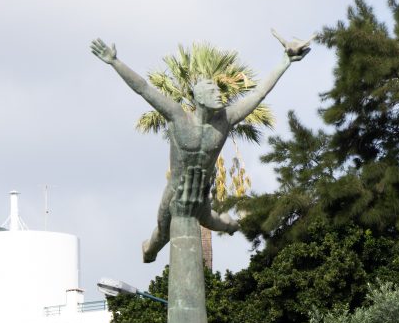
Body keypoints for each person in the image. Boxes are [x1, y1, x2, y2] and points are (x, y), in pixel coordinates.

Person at [91, 31, 314, 262]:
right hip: (175, 194)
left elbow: (259, 94)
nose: (218, 94)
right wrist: (115, 62)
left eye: (218, 91)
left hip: (201, 193)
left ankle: (232, 225)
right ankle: (148, 248)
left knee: (218, 222)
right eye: (212, 91)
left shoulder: (226, 120)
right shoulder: (178, 117)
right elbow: (144, 88)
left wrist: (285, 61)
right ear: (198, 97)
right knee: (160, 236)